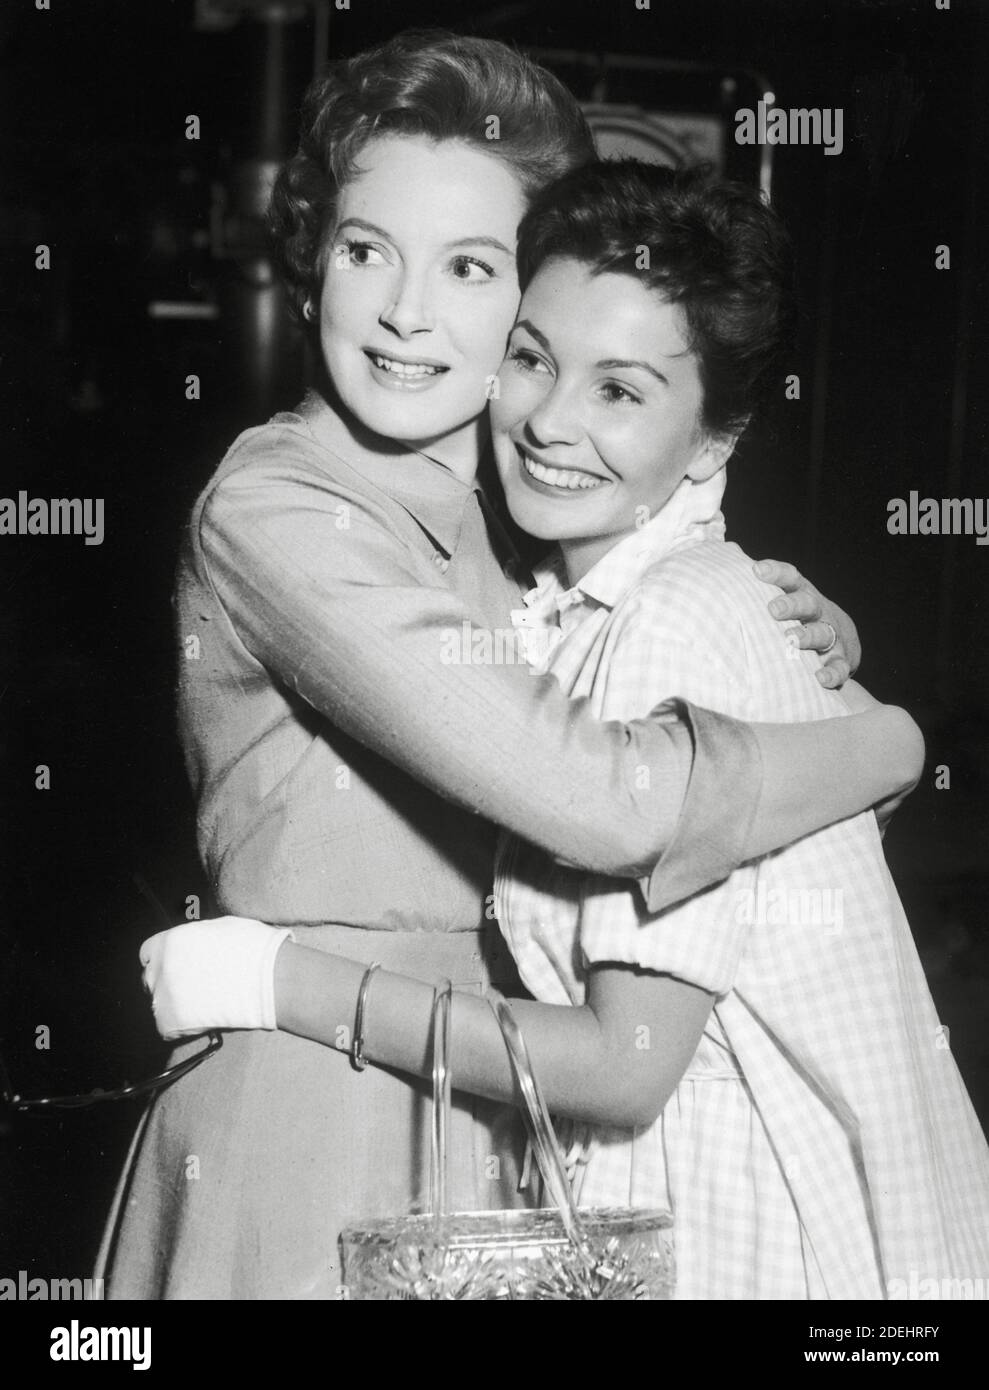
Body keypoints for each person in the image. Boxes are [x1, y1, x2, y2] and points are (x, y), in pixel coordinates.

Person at [100, 34, 921, 1301]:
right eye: (365, 249)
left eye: (469, 267)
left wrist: (806, 656)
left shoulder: (523, 498)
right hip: (308, 1108)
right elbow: (604, 800)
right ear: (313, 259)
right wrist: (884, 745)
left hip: (507, 1129)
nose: (406, 312)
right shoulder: (279, 508)